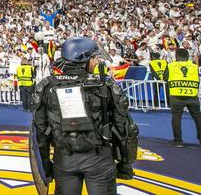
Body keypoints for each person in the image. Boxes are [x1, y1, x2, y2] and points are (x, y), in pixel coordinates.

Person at [32, 37, 138, 195]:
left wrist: (45, 163)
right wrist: (125, 163)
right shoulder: (104, 85)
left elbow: (40, 131)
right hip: (99, 159)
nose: (96, 62)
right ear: (82, 59)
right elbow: (125, 128)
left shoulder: (47, 86)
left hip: (64, 159)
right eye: (93, 57)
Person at [163, 48, 200, 147]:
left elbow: (165, 78)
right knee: (198, 118)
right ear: (188, 57)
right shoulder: (194, 66)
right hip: (192, 95)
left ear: (176, 56)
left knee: (177, 118)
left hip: (177, 95)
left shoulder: (171, 66)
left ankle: (178, 141)